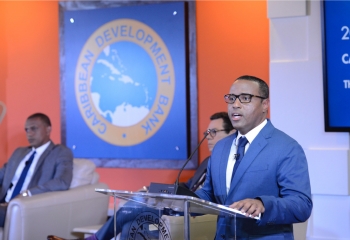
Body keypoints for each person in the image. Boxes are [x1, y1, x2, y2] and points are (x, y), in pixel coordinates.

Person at [48, 112, 235, 240]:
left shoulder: (232, 162)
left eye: (214, 132)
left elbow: (213, 196)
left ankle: (96, 239)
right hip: (177, 205)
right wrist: (152, 191)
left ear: (232, 133)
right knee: (131, 222)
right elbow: (186, 185)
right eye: (206, 132)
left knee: (135, 204)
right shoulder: (207, 161)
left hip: (195, 212)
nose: (208, 136)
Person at [195, 75, 313, 239]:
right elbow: (209, 195)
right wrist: (175, 200)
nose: (235, 105)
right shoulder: (221, 147)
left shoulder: (286, 147)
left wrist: (263, 204)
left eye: (245, 98)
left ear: (265, 104)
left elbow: (301, 205)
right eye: (231, 98)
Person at [0, 113, 73, 227]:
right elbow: (2, 174)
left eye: (34, 128)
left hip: (26, 207)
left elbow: (62, 182)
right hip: (3, 203)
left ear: (48, 129)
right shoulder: (19, 152)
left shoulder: (60, 152)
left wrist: (26, 194)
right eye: (27, 130)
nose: (29, 133)